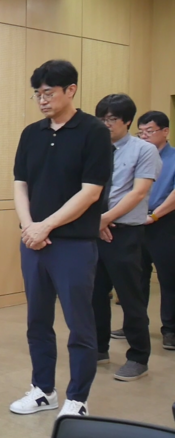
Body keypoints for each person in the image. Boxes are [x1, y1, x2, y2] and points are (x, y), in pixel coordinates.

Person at [10, 60, 113, 418]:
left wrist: (46, 226)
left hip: (73, 244)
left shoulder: (94, 131)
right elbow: (20, 184)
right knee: (37, 321)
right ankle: (43, 390)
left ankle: (77, 398)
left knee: (79, 324)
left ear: (71, 90)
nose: (42, 100)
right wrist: (29, 226)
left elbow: (91, 191)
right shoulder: (31, 133)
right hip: (33, 242)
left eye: (48, 93)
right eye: (37, 94)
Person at [91, 94, 161, 382]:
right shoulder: (94, 148)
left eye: (111, 119)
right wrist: (95, 222)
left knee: (130, 297)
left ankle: (138, 357)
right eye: (101, 119)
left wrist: (105, 219)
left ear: (128, 121)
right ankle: (98, 349)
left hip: (125, 233)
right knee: (94, 295)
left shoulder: (144, 150)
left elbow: (139, 192)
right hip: (95, 231)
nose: (105, 124)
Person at [136, 111, 175, 351]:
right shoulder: (139, 157)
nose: (144, 136)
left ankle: (170, 329)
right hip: (137, 221)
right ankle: (136, 325)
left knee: (168, 278)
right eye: (140, 132)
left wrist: (155, 215)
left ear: (165, 131)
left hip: (165, 222)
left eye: (149, 131)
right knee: (136, 277)